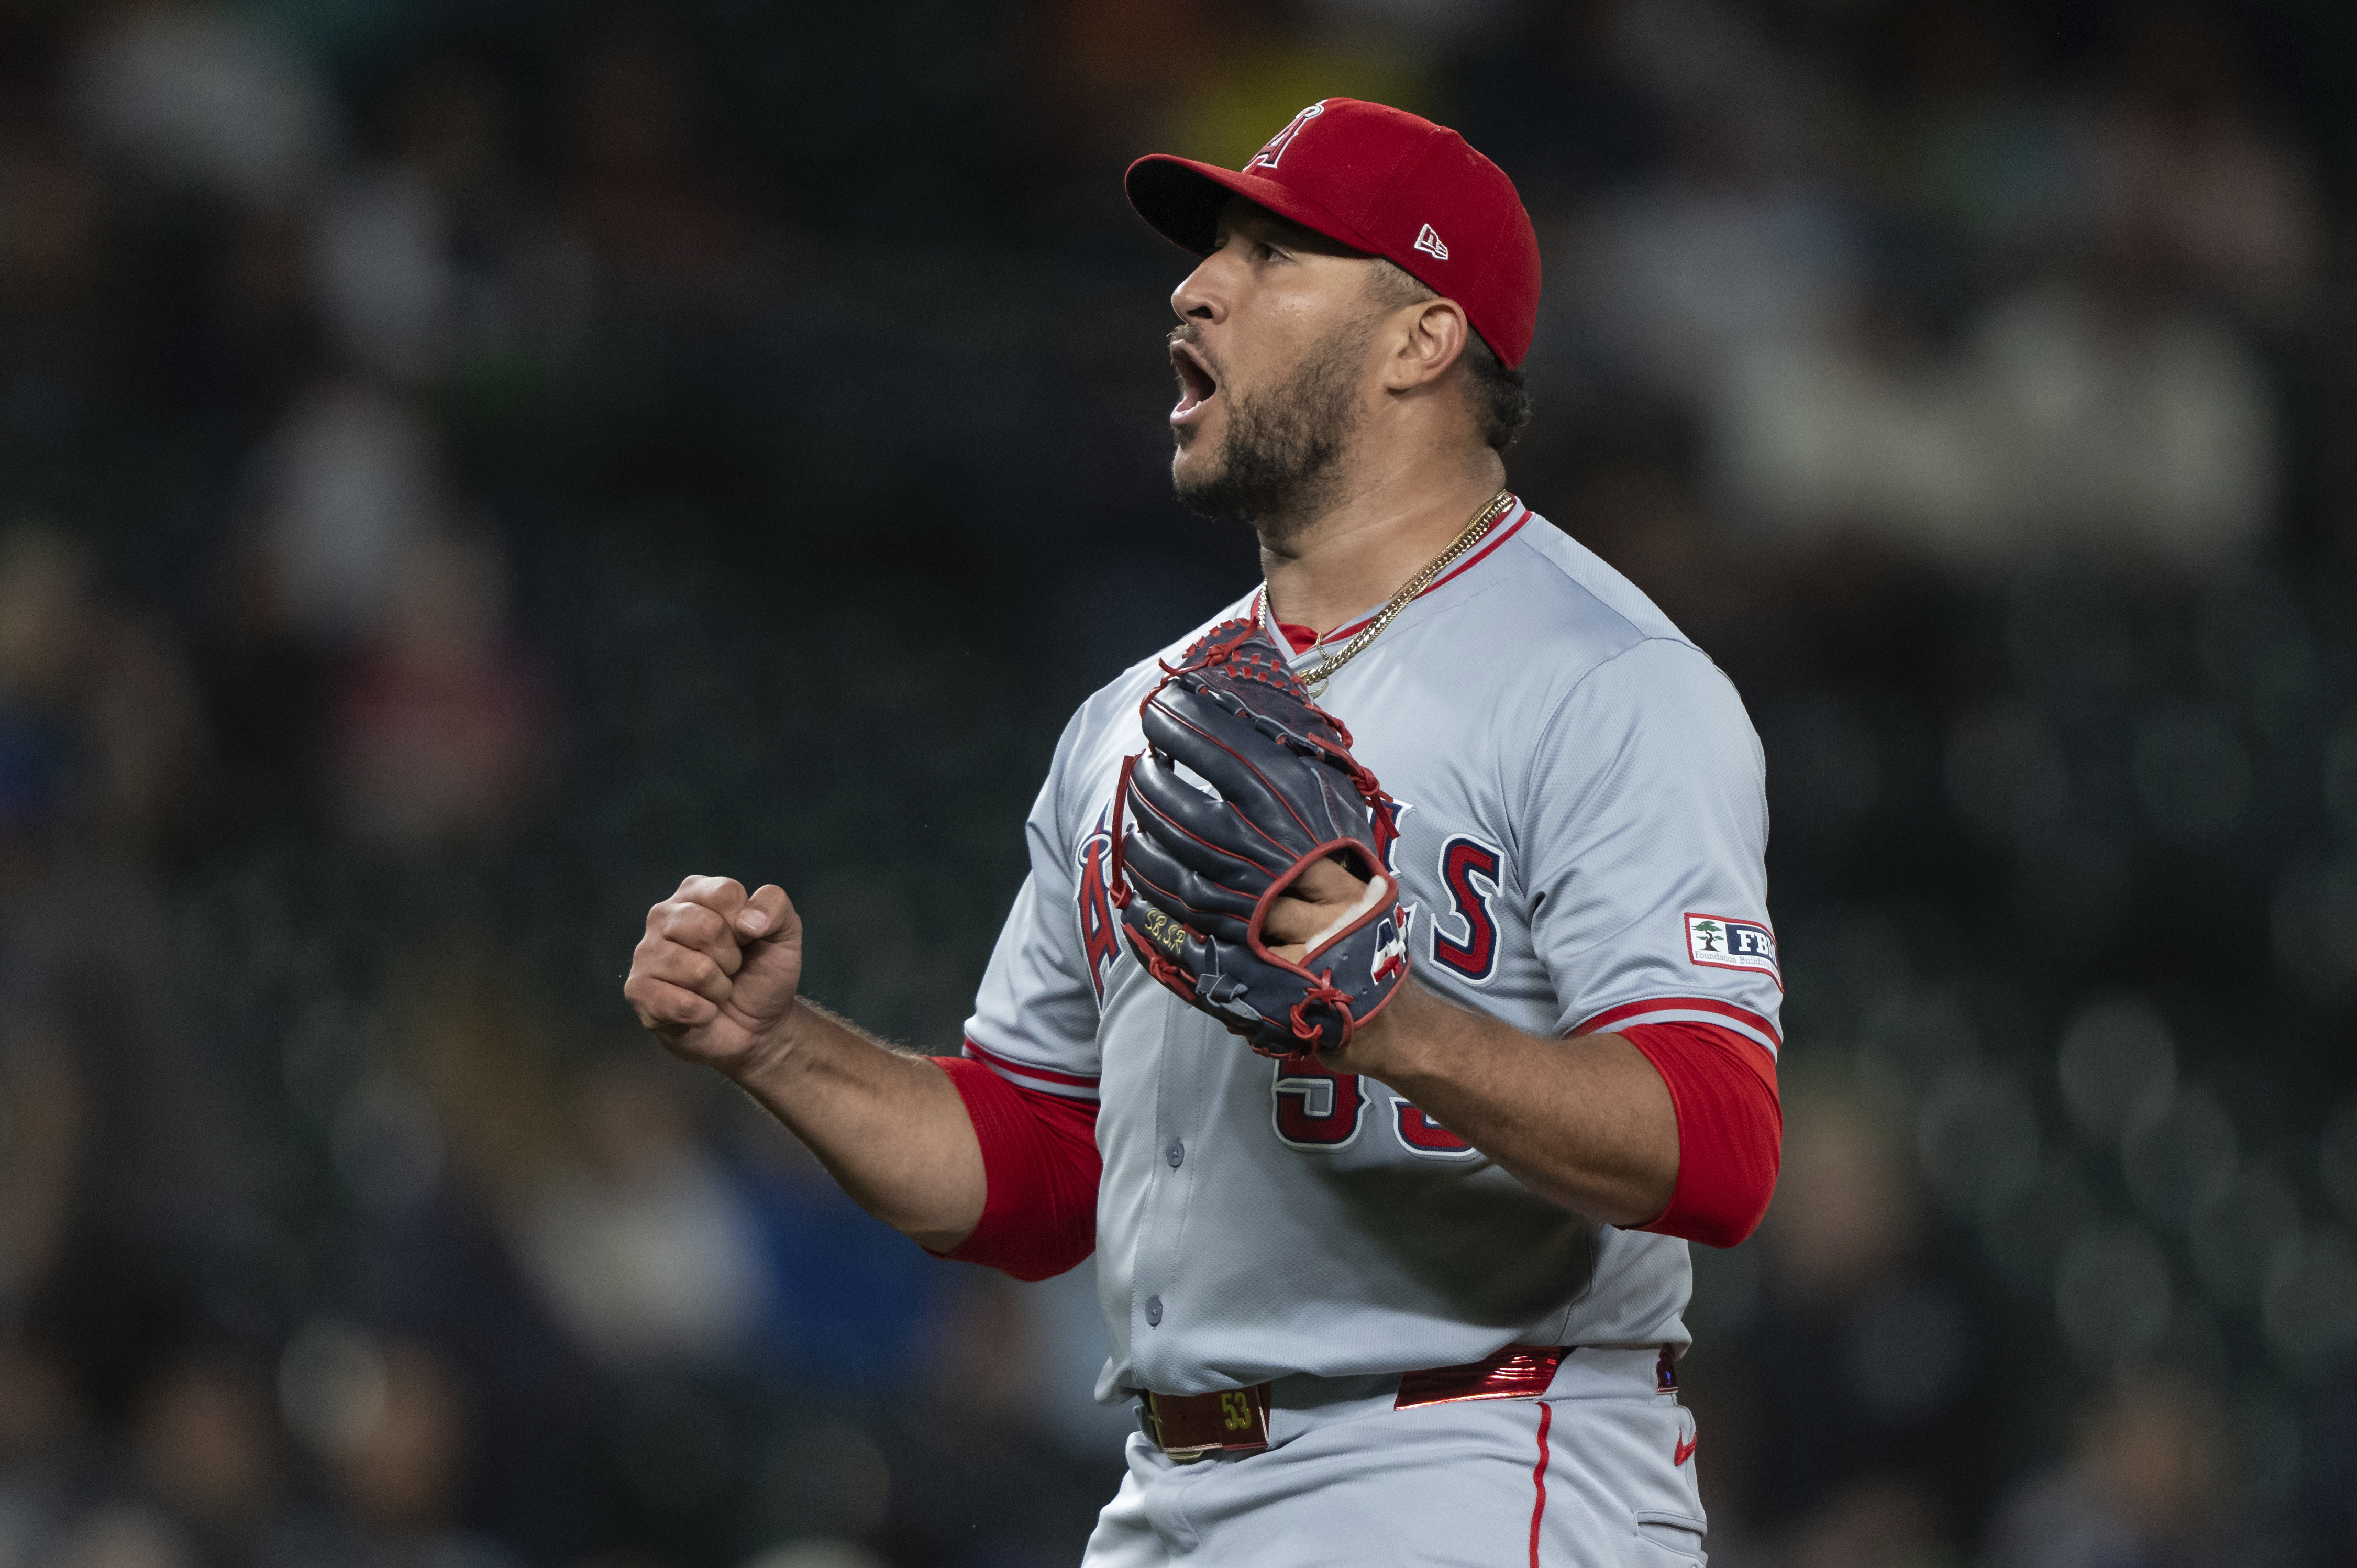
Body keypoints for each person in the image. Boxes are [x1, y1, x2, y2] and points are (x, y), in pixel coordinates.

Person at [625, 97, 1783, 1566]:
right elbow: (1046, 1171)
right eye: (1209, 252)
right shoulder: (1137, 723)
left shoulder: (1608, 678)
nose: (1196, 287)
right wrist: (778, 1046)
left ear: (1423, 340)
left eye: (1275, 253)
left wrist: (1395, 1021)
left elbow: (1723, 1144)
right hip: (1172, 1488)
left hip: (1480, 1460)